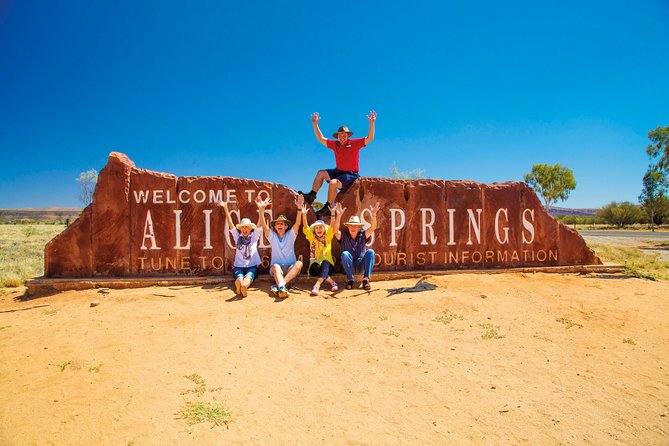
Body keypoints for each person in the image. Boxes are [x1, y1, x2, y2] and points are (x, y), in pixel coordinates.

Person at [299, 110, 377, 218]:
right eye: (340, 135)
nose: (342, 137)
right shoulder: (335, 144)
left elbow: (370, 138)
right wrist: (315, 124)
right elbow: (321, 139)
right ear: (337, 137)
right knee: (321, 173)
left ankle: (329, 207)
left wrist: (372, 123)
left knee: (333, 183)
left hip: (351, 174)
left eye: (344, 135)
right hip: (338, 171)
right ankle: (311, 196)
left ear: (348, 136)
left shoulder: (354, 143)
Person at [217, 196, 267, 297]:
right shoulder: (237, 236)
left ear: (249, 229)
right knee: (239, 276)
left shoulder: (254, 237)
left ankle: (244, 285)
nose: (244, 229)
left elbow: (259, 224)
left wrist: (261, 209)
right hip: (238, 266)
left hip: (251, 266)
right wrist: (225, 208)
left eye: (247, 227)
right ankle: (239, 283)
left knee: (249, 276)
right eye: (243, 227)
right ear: (240, 229)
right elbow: (230, 223)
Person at [257, 194, 305, 298]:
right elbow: (264, 225)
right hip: (277, 269)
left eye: (282, 224)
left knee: (299, 264)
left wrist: (299, 208)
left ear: (286, 226)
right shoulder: (272, 236)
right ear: (275, 227)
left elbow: (298, 223)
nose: (280, 225)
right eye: (278, 224)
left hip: (290, 269)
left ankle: (280, 285)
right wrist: (261, 209)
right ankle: (282, 286)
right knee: (275, 266)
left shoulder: (291, 235)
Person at [332, 202, 380, 290]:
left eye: (355, 226)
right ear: (348, 227)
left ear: (358, 227)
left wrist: (373, 215)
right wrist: (338, 216)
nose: (353, 227)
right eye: (351, 225)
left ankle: (366, 280)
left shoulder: (363, 235)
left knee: (370, 252)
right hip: (349, 267)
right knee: (345, 254)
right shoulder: (344, 236)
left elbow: (373, 227)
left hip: (361, 266)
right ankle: (350, 279)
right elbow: (335, 231)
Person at [301, 203, 342, 296]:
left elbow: (331, 227)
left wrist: (333, 214)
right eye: (317, 228)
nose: (319, 229)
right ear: (314, 230)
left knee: (325, 262)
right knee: (316, 265)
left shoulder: (327, 237)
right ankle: (332, 282)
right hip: (314, 268)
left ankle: (317, 285)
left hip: (329, 267)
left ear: (324, 229)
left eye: (321, 227)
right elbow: (306, 228)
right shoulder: (312, 238)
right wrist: (303, 215)